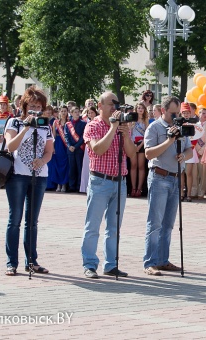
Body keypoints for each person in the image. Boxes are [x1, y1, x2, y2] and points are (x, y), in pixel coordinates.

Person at [81, 92, 137, 279]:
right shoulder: (93, 125)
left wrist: (125, 134)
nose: (114, 108)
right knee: (93, 226)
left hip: (119, 182)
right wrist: (112, 128)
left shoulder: (122, 126)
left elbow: (131, 154)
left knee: (114, 227)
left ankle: (111, 264)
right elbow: (98, 149)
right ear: (100, 105)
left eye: (116, 104)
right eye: (110, 104)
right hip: (100, 181)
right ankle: (89, 264)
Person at [3, 86, 54, 276]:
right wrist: (26, 127)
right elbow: (10, 146)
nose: (35, 110)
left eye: (38, 107)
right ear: (24, 106)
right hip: (17, 175)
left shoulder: (45, 125)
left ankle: (31, 260)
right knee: (15, 219)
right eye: (31, 106)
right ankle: (11, 262)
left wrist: (42, 160)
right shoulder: (14, 122)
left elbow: (49, 151)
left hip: (39, 176)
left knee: (32, 221)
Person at [143, 96, 193, 276]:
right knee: (155, 223)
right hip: (159, 177)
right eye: (173, 113)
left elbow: (189, 149)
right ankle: (150, 262)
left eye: (178, 113)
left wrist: (184, 156)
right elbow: (148, 153)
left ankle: (163, 260)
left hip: (175, 178)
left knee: (169, 224)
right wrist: (169, 141)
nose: (177, 116)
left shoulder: (181, 127)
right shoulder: (154, 127)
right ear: (163, 111)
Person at [129, 102, 148, 197]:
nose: (140, 109)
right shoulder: (132, 120)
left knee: (141, 166)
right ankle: (133, 187)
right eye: (138, 108)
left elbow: (147, 135)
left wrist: (140, 146)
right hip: (133, 144)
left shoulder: (145, 120)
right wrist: (133, 145)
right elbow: (129, 133)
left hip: (141, 144)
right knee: (133, 165)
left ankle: (139, 188)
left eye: (142, 108)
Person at [64, 106, 86, 192]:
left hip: (79, 148)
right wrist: (69, 146)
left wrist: (76, 146)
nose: (77, 113)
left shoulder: (83, 123)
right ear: (71, 113)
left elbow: (82, 137)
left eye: (78, 112)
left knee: (79, 168)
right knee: (71, 168)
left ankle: (79, 186)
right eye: (75, 112)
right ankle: (71, 186)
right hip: (70, 149)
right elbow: (66, 136)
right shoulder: (68, 124)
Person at [80, 106, 99, 193]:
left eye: (92, 112)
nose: (90, 114)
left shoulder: (99, 121)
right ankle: (84, 187)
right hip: (88, 145)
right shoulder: (86, 122)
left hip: (96, 145)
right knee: (86, 166)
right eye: (89, 113)